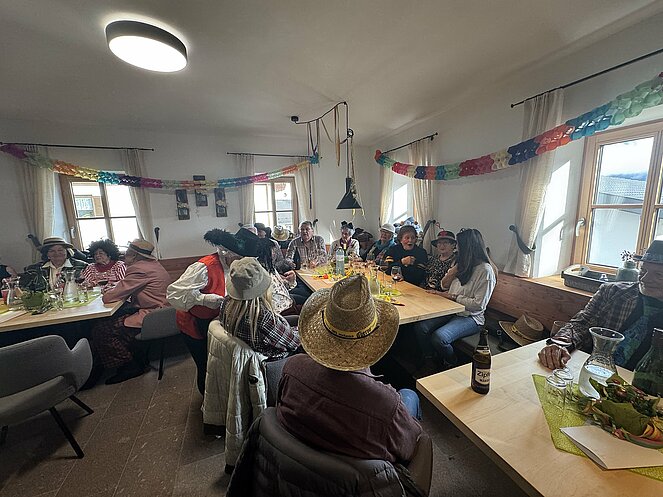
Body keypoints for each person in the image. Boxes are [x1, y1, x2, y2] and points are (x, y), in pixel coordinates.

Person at [276, 274, 422, 465]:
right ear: (374, 338)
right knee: (410, 395)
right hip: (366, 476)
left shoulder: (292, 367)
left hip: (296, 465)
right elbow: (409, 448)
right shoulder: (386, 404)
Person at [539, 239, 663, 371]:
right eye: (643, 270)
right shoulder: (613, 292)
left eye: (659, 275)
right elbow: (581, 324)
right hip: (595, 369)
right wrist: (561, 343)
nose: (645, 279)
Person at [167, 228, 259, 394]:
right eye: (240, 259)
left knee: (219, 365)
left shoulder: (237, 267)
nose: (243, 264)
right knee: (205, 366)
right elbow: (174, 294)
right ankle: (206, 401)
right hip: (194, 323)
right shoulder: (205, 267)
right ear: (228, 253)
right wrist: (202, 299)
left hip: (217, 323)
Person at [87, 239, 170, 386]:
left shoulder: (138, 269)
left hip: (152, 315)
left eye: (127, 252)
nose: (124, 254)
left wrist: (109, 292)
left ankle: (130, 366)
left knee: (101, 330)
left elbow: (109, 298)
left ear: (134, 255)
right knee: (109, 321)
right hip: (163, 311)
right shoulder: (153, 264)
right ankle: (134, 357)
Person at [414, 228, 496, 369]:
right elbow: (444, 285)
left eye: (459, 245)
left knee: (440, 337)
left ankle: (452, 363)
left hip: (471, 317)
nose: (458, 249)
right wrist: (452, 272)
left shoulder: (485, 271)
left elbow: (479, 305)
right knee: (421, 327)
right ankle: (430, 359)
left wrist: (453, 297)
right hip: (452, 310)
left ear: (468, 248)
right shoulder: (462, 265)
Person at [219, 258, 300, 358]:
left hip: (248, 355)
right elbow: (295, 343)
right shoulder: (264, 317)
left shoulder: (225, 303)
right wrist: (303, 329)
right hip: (275, 360)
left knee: (297, 318)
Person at [256, 238, 298, 315]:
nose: (275, 254)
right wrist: (289, 281)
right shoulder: (261, 272)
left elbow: (281, 287)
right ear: (265, 253)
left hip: (285, 301)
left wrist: (290, 280)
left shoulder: (270, 267)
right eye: (273, 251)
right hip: (280, 310)